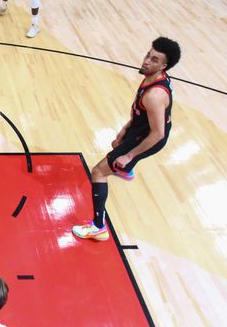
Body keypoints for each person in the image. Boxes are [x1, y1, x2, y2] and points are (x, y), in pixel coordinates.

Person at [72, 37, 181, 241]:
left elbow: (158, 134)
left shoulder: (155, 95)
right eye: (148, 55)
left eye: (154, 60)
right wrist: (125, 128)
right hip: (141, 129)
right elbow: (141, 112)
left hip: (149, 137)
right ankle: (125, 167)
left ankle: (98, 227)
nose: (147, 61)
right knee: (116, 150)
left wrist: (129, 155)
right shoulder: (154, 76)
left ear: (164, 66)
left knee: (98, 172)